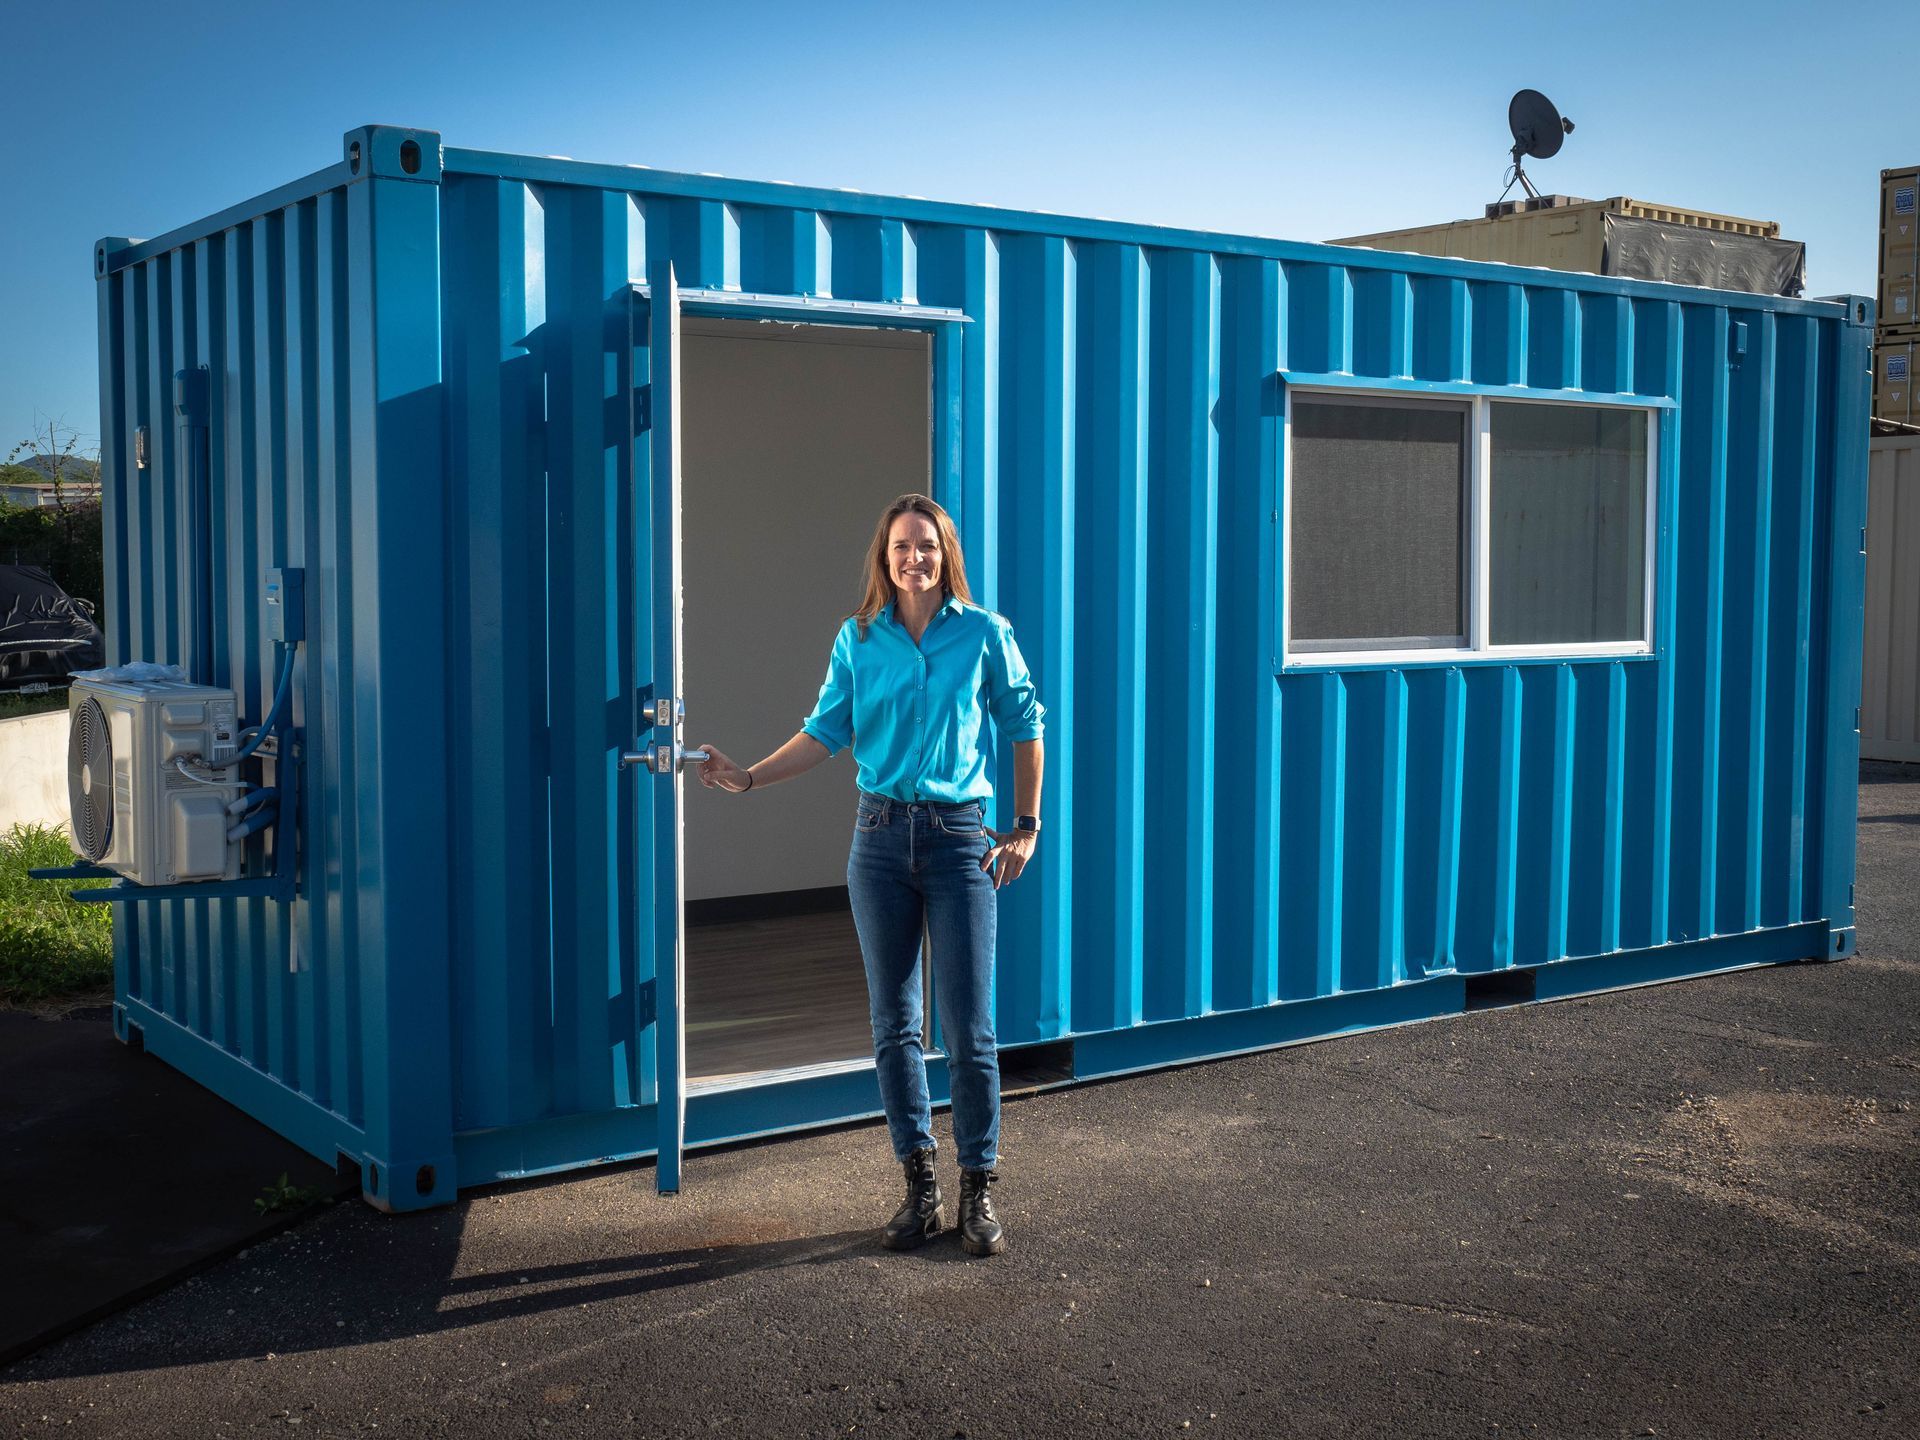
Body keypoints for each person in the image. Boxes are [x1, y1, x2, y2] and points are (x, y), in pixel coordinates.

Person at [691, 492, 1045, 1257]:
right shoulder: (858, 640)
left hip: (958, 842)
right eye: (899, 548)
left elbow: (1025, 726)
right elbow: (825, 732)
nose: (912, 558)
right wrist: (748, 778)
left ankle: (976, 1187)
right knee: (894, 1027)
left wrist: (1026, 827)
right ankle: (918, 1189)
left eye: (925, 545)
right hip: (879, 841)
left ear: (945, 553)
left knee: (971, 1030)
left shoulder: (984, 634)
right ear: (883, 560)